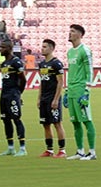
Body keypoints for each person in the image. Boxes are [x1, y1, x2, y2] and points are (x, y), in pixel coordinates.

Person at [65, 24, 97, 160]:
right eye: (70, 31)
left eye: (72, 31)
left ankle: (92, 152)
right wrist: (66, 90)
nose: (69, 33)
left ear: (79, 34)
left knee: (87, 120)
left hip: (81, 90)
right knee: (75, 122)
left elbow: (89, 70)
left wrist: (87, 90)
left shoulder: (85, 50)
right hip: (71, 90)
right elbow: (71, 71)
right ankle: (80, 151)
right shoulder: (70, 52)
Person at [37, 39, 67, 158]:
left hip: (53, 98)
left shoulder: (56, 64)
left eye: (44, 47)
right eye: (42, 46)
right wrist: (39, 98)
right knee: (45, 124)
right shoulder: (42, 64)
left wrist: (56, 99)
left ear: (51, 48)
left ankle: (62, 150)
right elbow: (42, 82)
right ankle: (49, 150)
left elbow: (60, 82)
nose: (42, 49)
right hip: (44, 98)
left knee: (57, 123)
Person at [0, 40, 27, 157]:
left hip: (13, 94)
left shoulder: (16, 62)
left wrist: (18, 93)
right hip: (4, 94)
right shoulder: (4, 63)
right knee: (6, 120)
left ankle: (23, 148)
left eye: (2, 47)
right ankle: (10, 147)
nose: (0, 50)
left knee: (16, 119)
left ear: (9, 48)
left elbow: (23, 79)